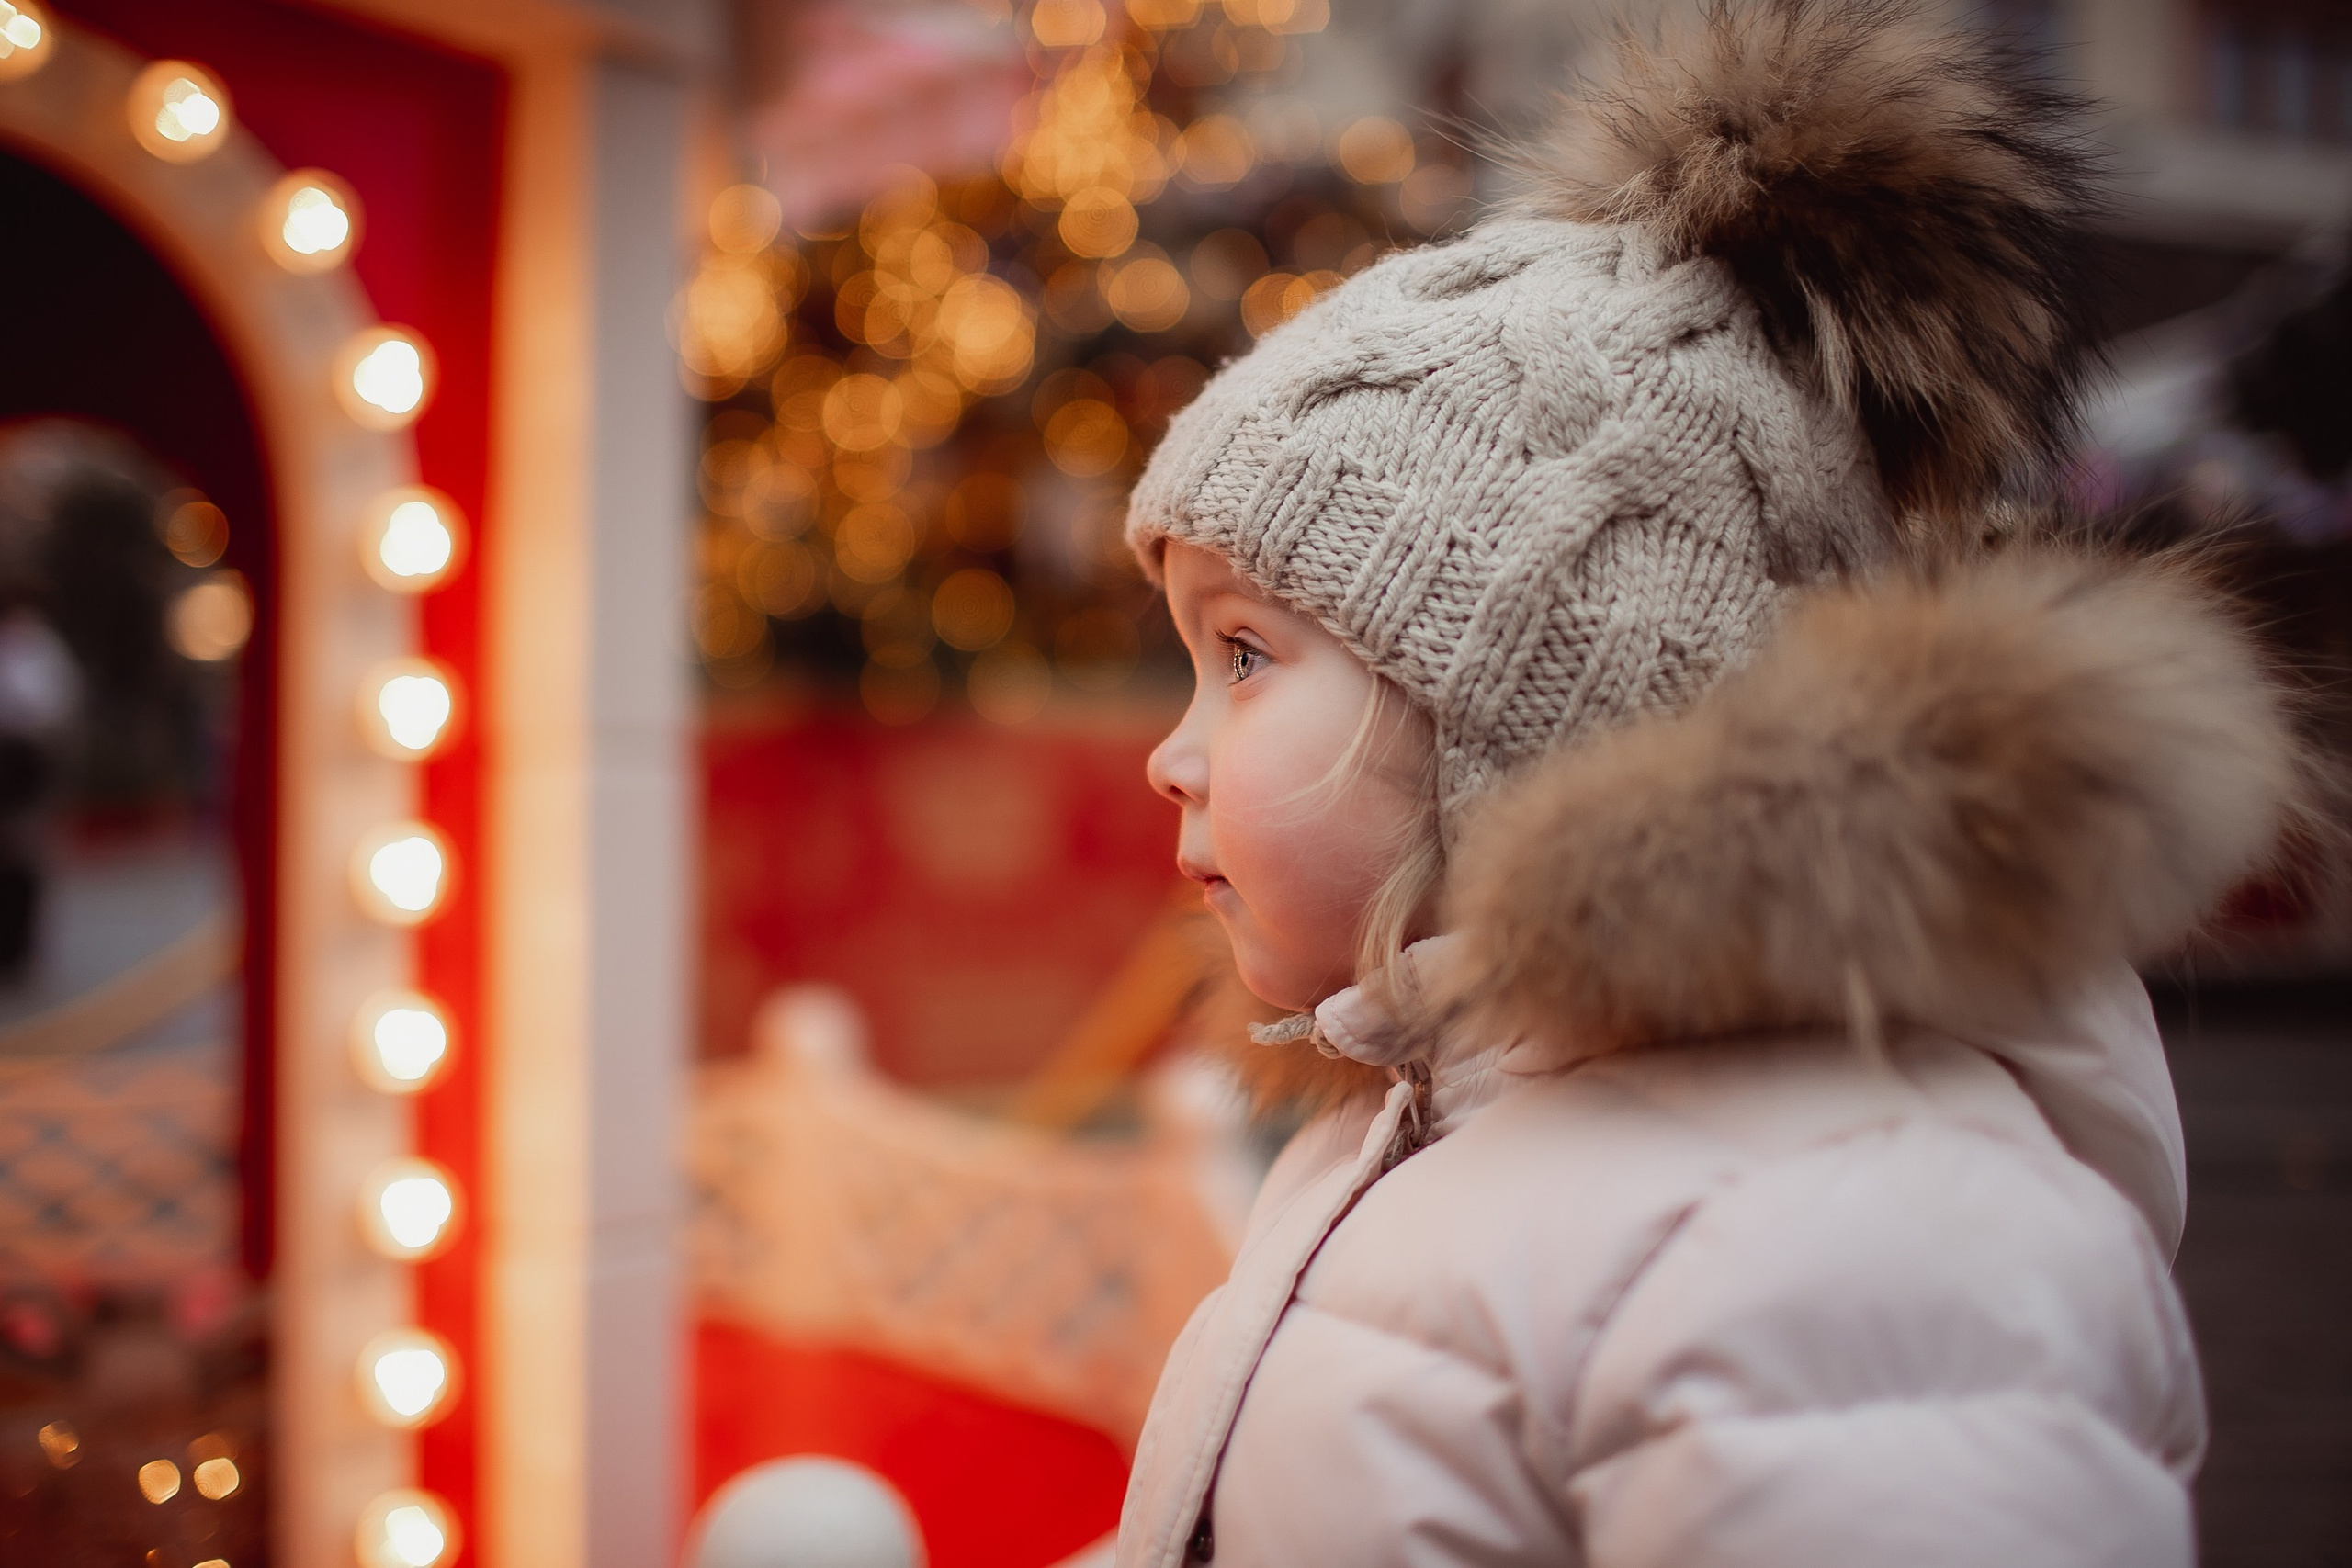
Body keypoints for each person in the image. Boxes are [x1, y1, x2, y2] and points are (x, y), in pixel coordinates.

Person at [1114, 2, 2302, 1564]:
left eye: (1247, 655)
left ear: (1535, 708)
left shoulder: (1853, 1238)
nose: (1167, 755)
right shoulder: (1423, 1127)